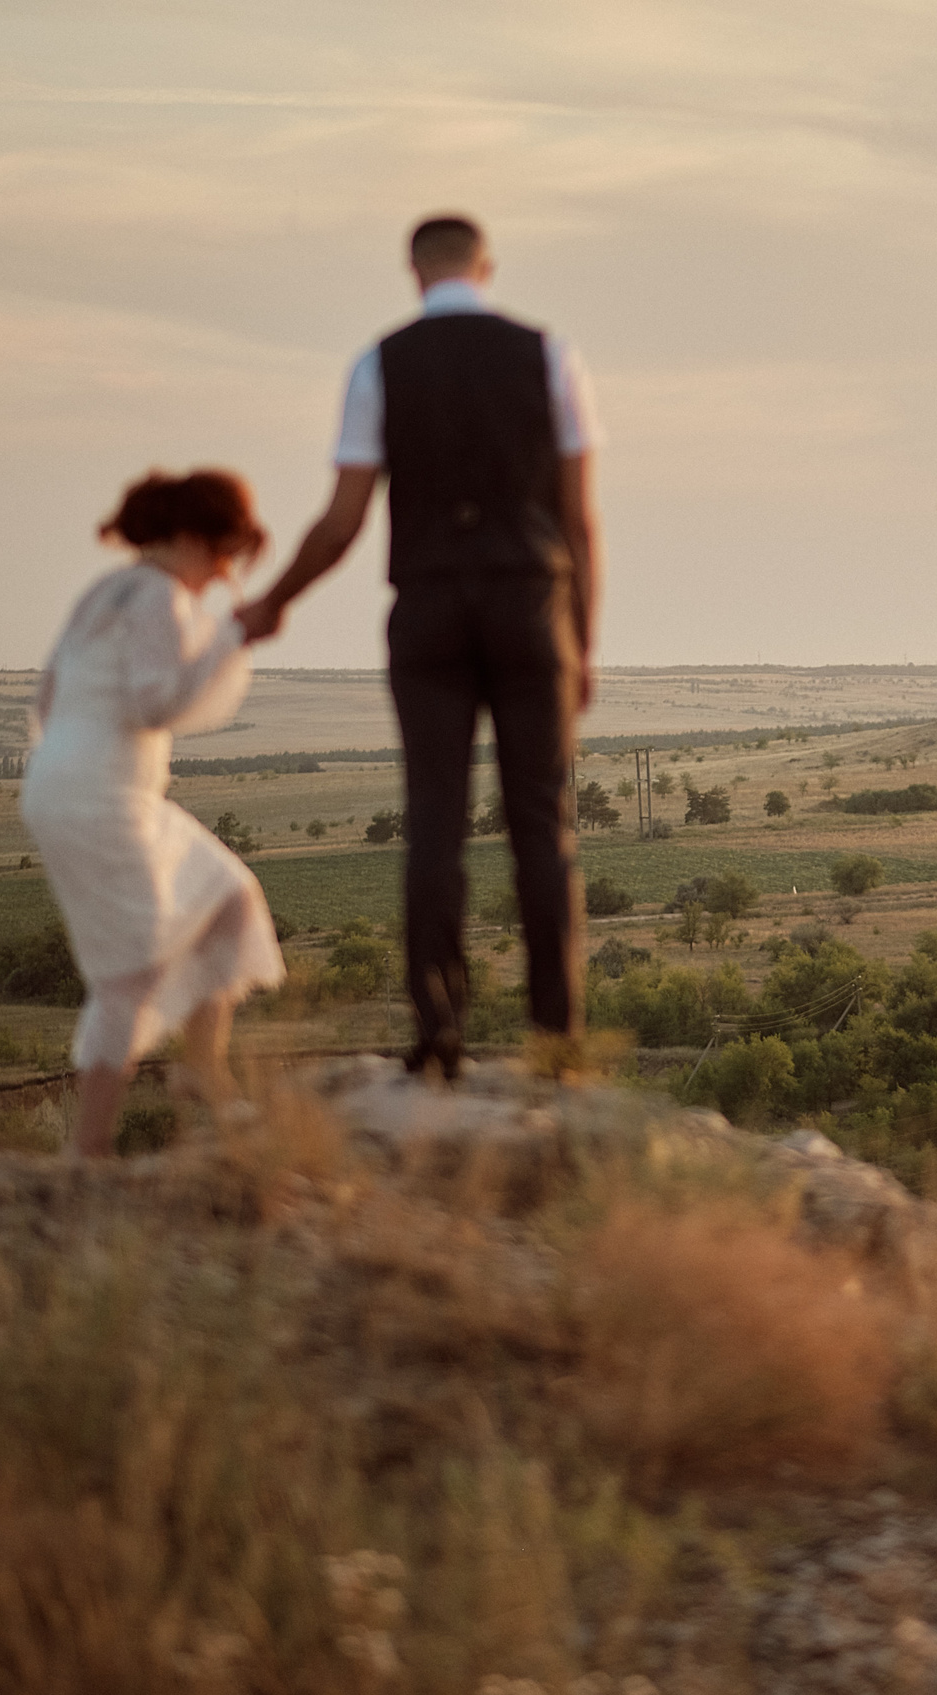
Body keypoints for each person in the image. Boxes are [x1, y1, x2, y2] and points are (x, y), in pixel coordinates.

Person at [237, 213, 600, 1081]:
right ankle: (558, 1042)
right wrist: (581, 640)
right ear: (487, 265)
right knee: (541, 823)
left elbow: (343, 520)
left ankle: (439, 1034)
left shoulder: (379, 364)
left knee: (434, 820)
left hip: (430, 607)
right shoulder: (549, 356)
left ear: (414, 271)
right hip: (531, 603)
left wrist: (274, 601)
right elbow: (580, 517)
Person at [23, 469, 285, 1155]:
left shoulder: (103, 591)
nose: (223, 575)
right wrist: (230, 638)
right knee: (131, 972)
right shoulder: (160, 597)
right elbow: (153, 701)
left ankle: (200, 1072)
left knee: (228, 896)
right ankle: (89, 1150)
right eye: (224, 554)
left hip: (72, 785)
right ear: (194, 537)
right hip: (100, 797)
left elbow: (47, 698)